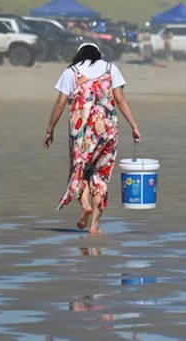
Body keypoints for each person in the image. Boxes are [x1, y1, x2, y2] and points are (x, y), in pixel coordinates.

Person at [44, 43, 141, 235]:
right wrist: (134, 126)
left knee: (79, 170)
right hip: (108, 130)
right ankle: (95, 226)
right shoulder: (111, 69)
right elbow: (120, 99)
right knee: (101, 176)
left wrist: (50, 129)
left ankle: (86, 205)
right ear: (98, 54)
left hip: (82, 132)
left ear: (79, 54)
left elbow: (60, 103)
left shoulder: (72, 72)